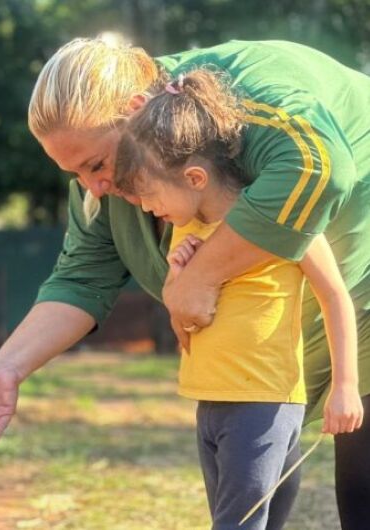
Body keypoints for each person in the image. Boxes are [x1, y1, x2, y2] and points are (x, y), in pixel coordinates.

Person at [0, 37, 370, 530]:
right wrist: (7, 368)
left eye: (96, 165)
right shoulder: (111, 183)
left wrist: (197, 279)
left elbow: (320, 168)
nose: (94, 186)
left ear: (137, 110)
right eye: (75, 174)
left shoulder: (238, 102)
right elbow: (82, 278)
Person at [111, 68, 363, 529]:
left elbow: (334, 296)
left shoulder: (283, 220)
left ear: (194, 177)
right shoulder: (185, 229)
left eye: (148, 195)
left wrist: (345, 386)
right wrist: (177, 275)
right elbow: (183, 314)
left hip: (264, 405)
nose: (146, 209)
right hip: (210, 404)